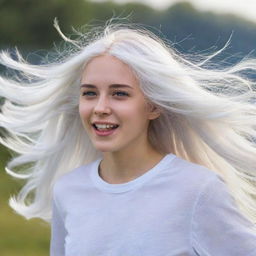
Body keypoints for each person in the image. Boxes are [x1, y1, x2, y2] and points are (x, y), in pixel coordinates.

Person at [0, 19, 256, 255]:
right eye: (89, 93)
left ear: (153, 106)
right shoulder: (67, 191)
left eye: (119, 94)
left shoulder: (198, 190)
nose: (100, 107)